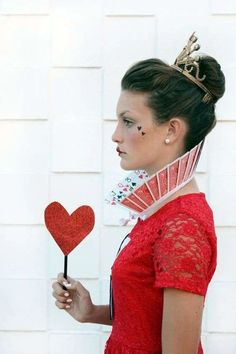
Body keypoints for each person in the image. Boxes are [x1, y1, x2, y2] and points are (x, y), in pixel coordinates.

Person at [52, 33, 225, 354]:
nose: (116, 135)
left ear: (172, 130)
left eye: (129, 122)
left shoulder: (182, 226)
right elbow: (145, 320)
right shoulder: (161, 212)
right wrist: (91, 313)